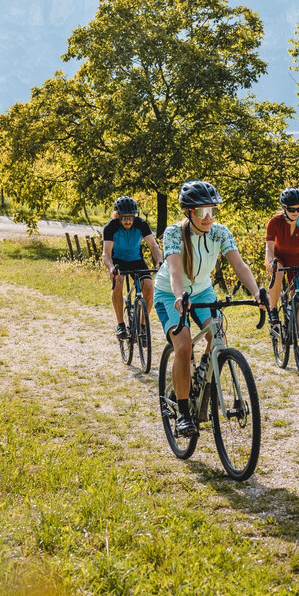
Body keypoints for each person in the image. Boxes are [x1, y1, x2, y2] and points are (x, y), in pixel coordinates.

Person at [156, 180, 270, 438]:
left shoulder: (219, 232)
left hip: (203, 290)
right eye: (201, 212)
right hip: (169, 292)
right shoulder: (174, 233)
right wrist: (178, 296)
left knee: (217, 335)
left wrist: (256, 292)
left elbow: (239, 265)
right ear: (188, 212)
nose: (208, 218)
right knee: (183, 345)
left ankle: (204, 377)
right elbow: (174, 270)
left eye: (212, 211)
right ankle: (183, 412)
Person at [263, 187, 299, 363]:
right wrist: (271, 262)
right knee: (279, 271)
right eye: (292, 209)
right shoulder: (274, 222)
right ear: (284, 208)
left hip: (297, 257)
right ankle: (273, 309)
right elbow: (269, 247)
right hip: (278, 257)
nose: (296, 212)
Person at [101, 196, 163, 339]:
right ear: (117, 216)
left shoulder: (141, 224)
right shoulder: (111, 227)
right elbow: (106, 254)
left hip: (136, 260)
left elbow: (153, 246)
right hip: (117, 261)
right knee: (118, 283)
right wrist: (111, 268)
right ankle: (121, 324)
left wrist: (159, 261)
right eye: (124, 218)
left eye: (130, 217)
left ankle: (142, 325)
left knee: (148, 288)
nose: (128, 221)